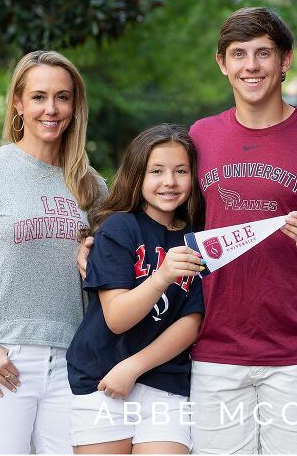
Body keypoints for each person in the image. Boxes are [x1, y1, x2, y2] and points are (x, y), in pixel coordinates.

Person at [80, 7, 297, 453]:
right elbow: (163, 215)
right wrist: (96, 245)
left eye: (263, 53)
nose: (251, 66)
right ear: (222, 63)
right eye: (239, 54)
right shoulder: (200, 137)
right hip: (214, 347)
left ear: (285, 60)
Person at [0, 50, 105, 453]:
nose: (51, 108)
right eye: (39, 96)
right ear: (18, 102)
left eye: (62, 97)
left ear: (75, 105)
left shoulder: (92, 187)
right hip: (1, 360)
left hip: (71, 364)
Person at [67, 124, 205, 454]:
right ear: (137, 175)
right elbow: (116, 318)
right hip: (101, 378)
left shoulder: (197, 238)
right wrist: (162, 276)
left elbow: (191, 321)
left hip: (164, 382)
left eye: (181, 171)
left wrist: (134, 367)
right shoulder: (119, 228)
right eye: (156, 171)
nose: (169, 182)